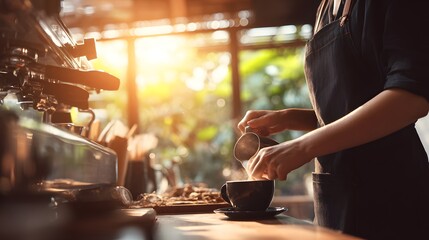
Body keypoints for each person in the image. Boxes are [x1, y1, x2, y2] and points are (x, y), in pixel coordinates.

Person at [237, 0, 429, 239]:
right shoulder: (325, 8)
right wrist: (290, 118)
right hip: (335, 197)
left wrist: (303, 145)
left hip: (389, 196)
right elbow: (348, 105)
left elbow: (411, 99)